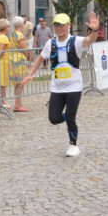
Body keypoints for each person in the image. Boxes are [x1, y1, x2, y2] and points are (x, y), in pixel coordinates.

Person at [20, 11, 101, 158]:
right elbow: (39, 59)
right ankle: (69, 116)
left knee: (70, 118)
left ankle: (73, 145)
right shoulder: (50, 43)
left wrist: (95, 30)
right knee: (54, 118)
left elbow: (90, 40)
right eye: (56, 25)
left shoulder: (75, 41)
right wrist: (30, 74)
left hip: (74, 87)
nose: (59, 28)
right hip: (57, 88)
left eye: (62, 25)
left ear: (69, 25)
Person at [0, 17, 29, 112]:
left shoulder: (12, 34)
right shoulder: (19, 35)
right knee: (19, 83)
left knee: (17, 83)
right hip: (18, 61)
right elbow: (25, 49)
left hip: (12, 59)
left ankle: (16, 104)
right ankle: (17, 105)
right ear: (22, 25)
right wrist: (31, 58)